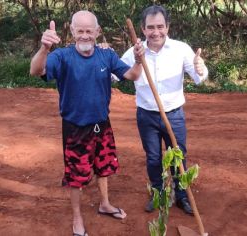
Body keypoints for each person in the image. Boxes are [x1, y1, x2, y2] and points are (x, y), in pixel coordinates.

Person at [30, 10, 144, 236]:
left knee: (104, 167)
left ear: (97, 32)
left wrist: (139, 60)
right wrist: (44, 48)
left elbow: (132, 75)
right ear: (72, 31)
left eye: (88, 31)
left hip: (102, 124)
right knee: (76, 176)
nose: (84, 35)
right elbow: (36, 71)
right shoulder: (61, 56)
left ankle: (104, 203)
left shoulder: (107, 55)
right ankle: (77, 217)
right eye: (79, 31)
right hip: (75, 129)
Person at [121, 5, 208, 216]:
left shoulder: (180, 49)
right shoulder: (134, 52)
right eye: (150, 27)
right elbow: (115, 73)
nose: (156, 32)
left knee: (178, 156)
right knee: (153, 157)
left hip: (174, 114)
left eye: (160, 26)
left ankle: (182, 196)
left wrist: (200, 68)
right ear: (143, 29)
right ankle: (159, 194)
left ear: (167, 27)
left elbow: (198, 77)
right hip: (146, 115)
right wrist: (103, 54)